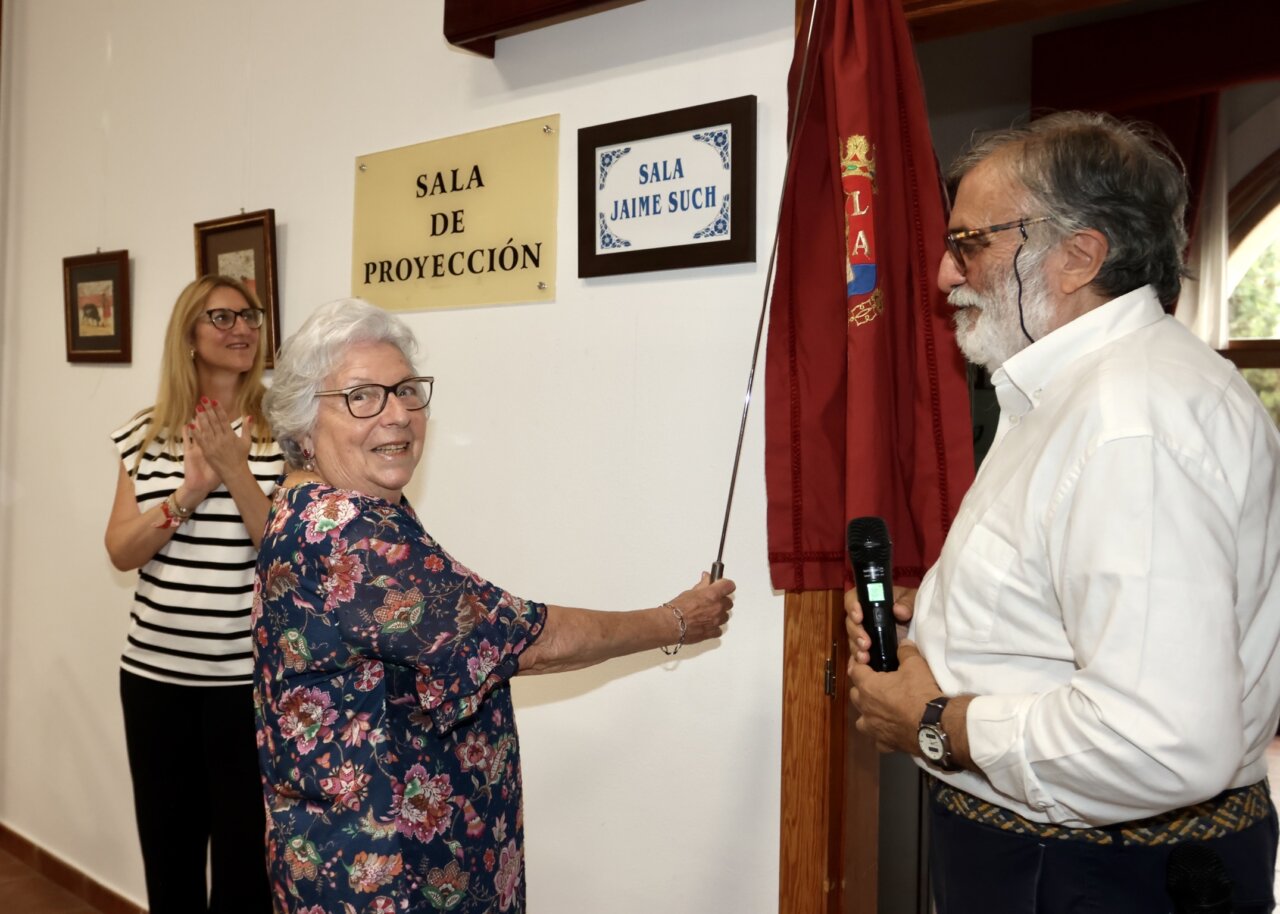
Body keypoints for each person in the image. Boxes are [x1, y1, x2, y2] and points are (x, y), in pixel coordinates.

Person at [845, 111, 1280, 914]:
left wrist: (934, 722)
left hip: (1091, 879)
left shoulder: (1127, 420)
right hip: (1064, 864)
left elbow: (1157, 740)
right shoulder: (1079, 391)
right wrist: (953, 620)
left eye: (970, 243)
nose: (945, 273)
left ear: (1079, 256)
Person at [254, 298, 735, 913]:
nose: (397, 415)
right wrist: (676, 619)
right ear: (301, 423)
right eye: (362, 397)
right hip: (389, 874)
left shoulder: (315, 502)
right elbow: (526, 639)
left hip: (361, 848)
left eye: (406, 390)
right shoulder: (347, 530)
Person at [105, 275, 282, 914]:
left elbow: (287, 552)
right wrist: (187, 494)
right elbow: (121, 550)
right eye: (223, 317)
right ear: (189, 336)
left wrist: (233, 472)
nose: (243, 328)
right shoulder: (145, 435)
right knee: (170, 861)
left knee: (245, 872)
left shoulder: (285, 433)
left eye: (251, 316)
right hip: (153, 682)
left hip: (247, 686)